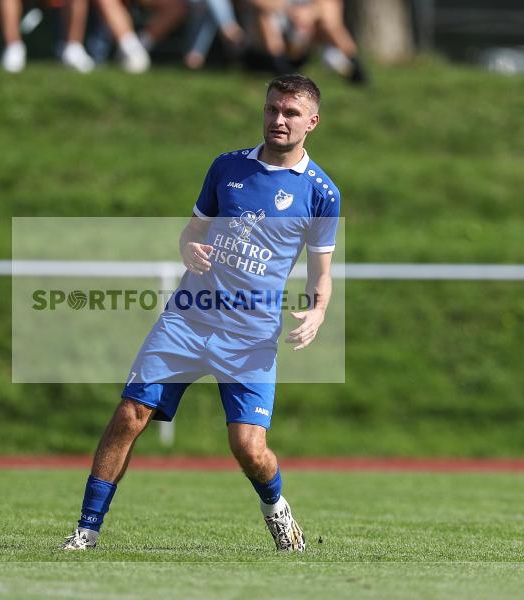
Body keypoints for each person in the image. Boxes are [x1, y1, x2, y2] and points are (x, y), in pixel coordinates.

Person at [61, 74, 340, 551]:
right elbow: (191, 231)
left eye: (291, 113)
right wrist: (189, 248)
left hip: (251, 336)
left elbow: (321, 272)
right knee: (130, 414)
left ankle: (276, 508)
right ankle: (85, 530)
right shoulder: (226, 167)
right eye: (272, 108)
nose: (278, 119)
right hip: (189, 318)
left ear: (312, 122)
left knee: (249, 449)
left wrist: (317, 312)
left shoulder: (321, 193)